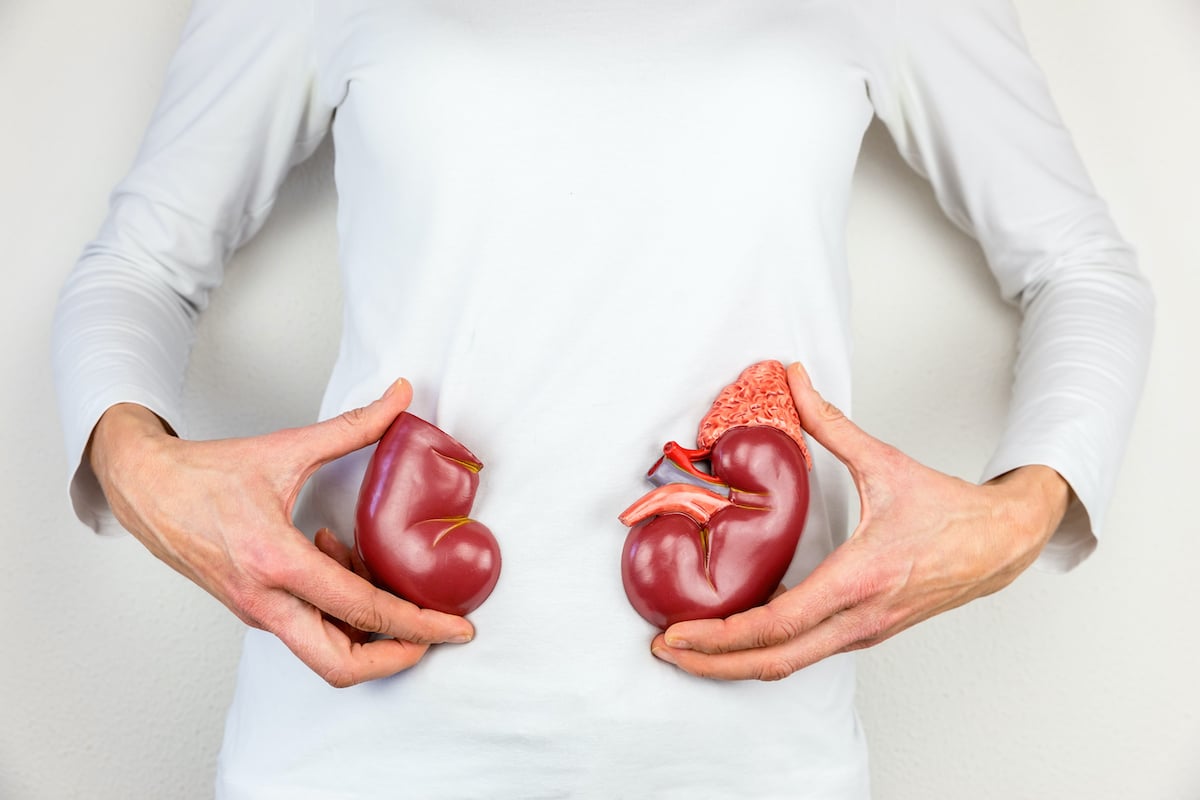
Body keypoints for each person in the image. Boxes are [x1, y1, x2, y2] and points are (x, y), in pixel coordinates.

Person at [52, 0, 1154, 797]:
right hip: (359, 754)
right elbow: (138, 269)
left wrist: (1019, 513)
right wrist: (140, 470)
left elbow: (1083, 272)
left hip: (749, 765)